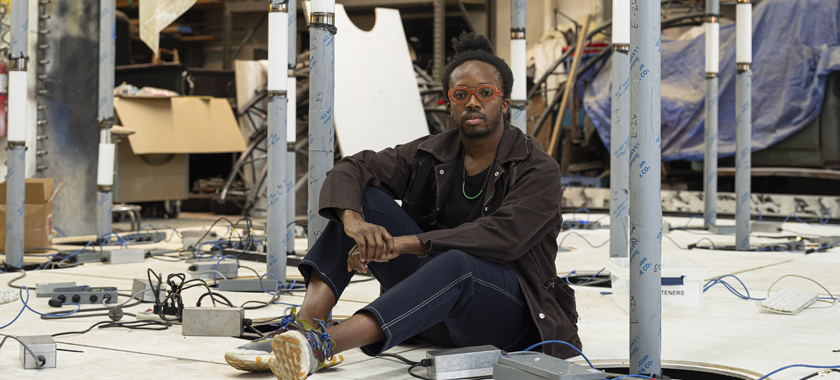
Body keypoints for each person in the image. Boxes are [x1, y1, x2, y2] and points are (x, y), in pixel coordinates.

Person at [224, 32, 581, 380]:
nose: (473, 102)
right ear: (449, 103)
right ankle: (306, 325)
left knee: (458, 262)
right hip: (433, 312)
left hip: (507, 317)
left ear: (504, 102)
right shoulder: (430, 153)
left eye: (485, 93)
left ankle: (321, 345)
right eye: (461, 94)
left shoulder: (537, 167)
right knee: (365, 199)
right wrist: (355, 223)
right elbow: (352, 168)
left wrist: (403, 244)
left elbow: (504, 237)